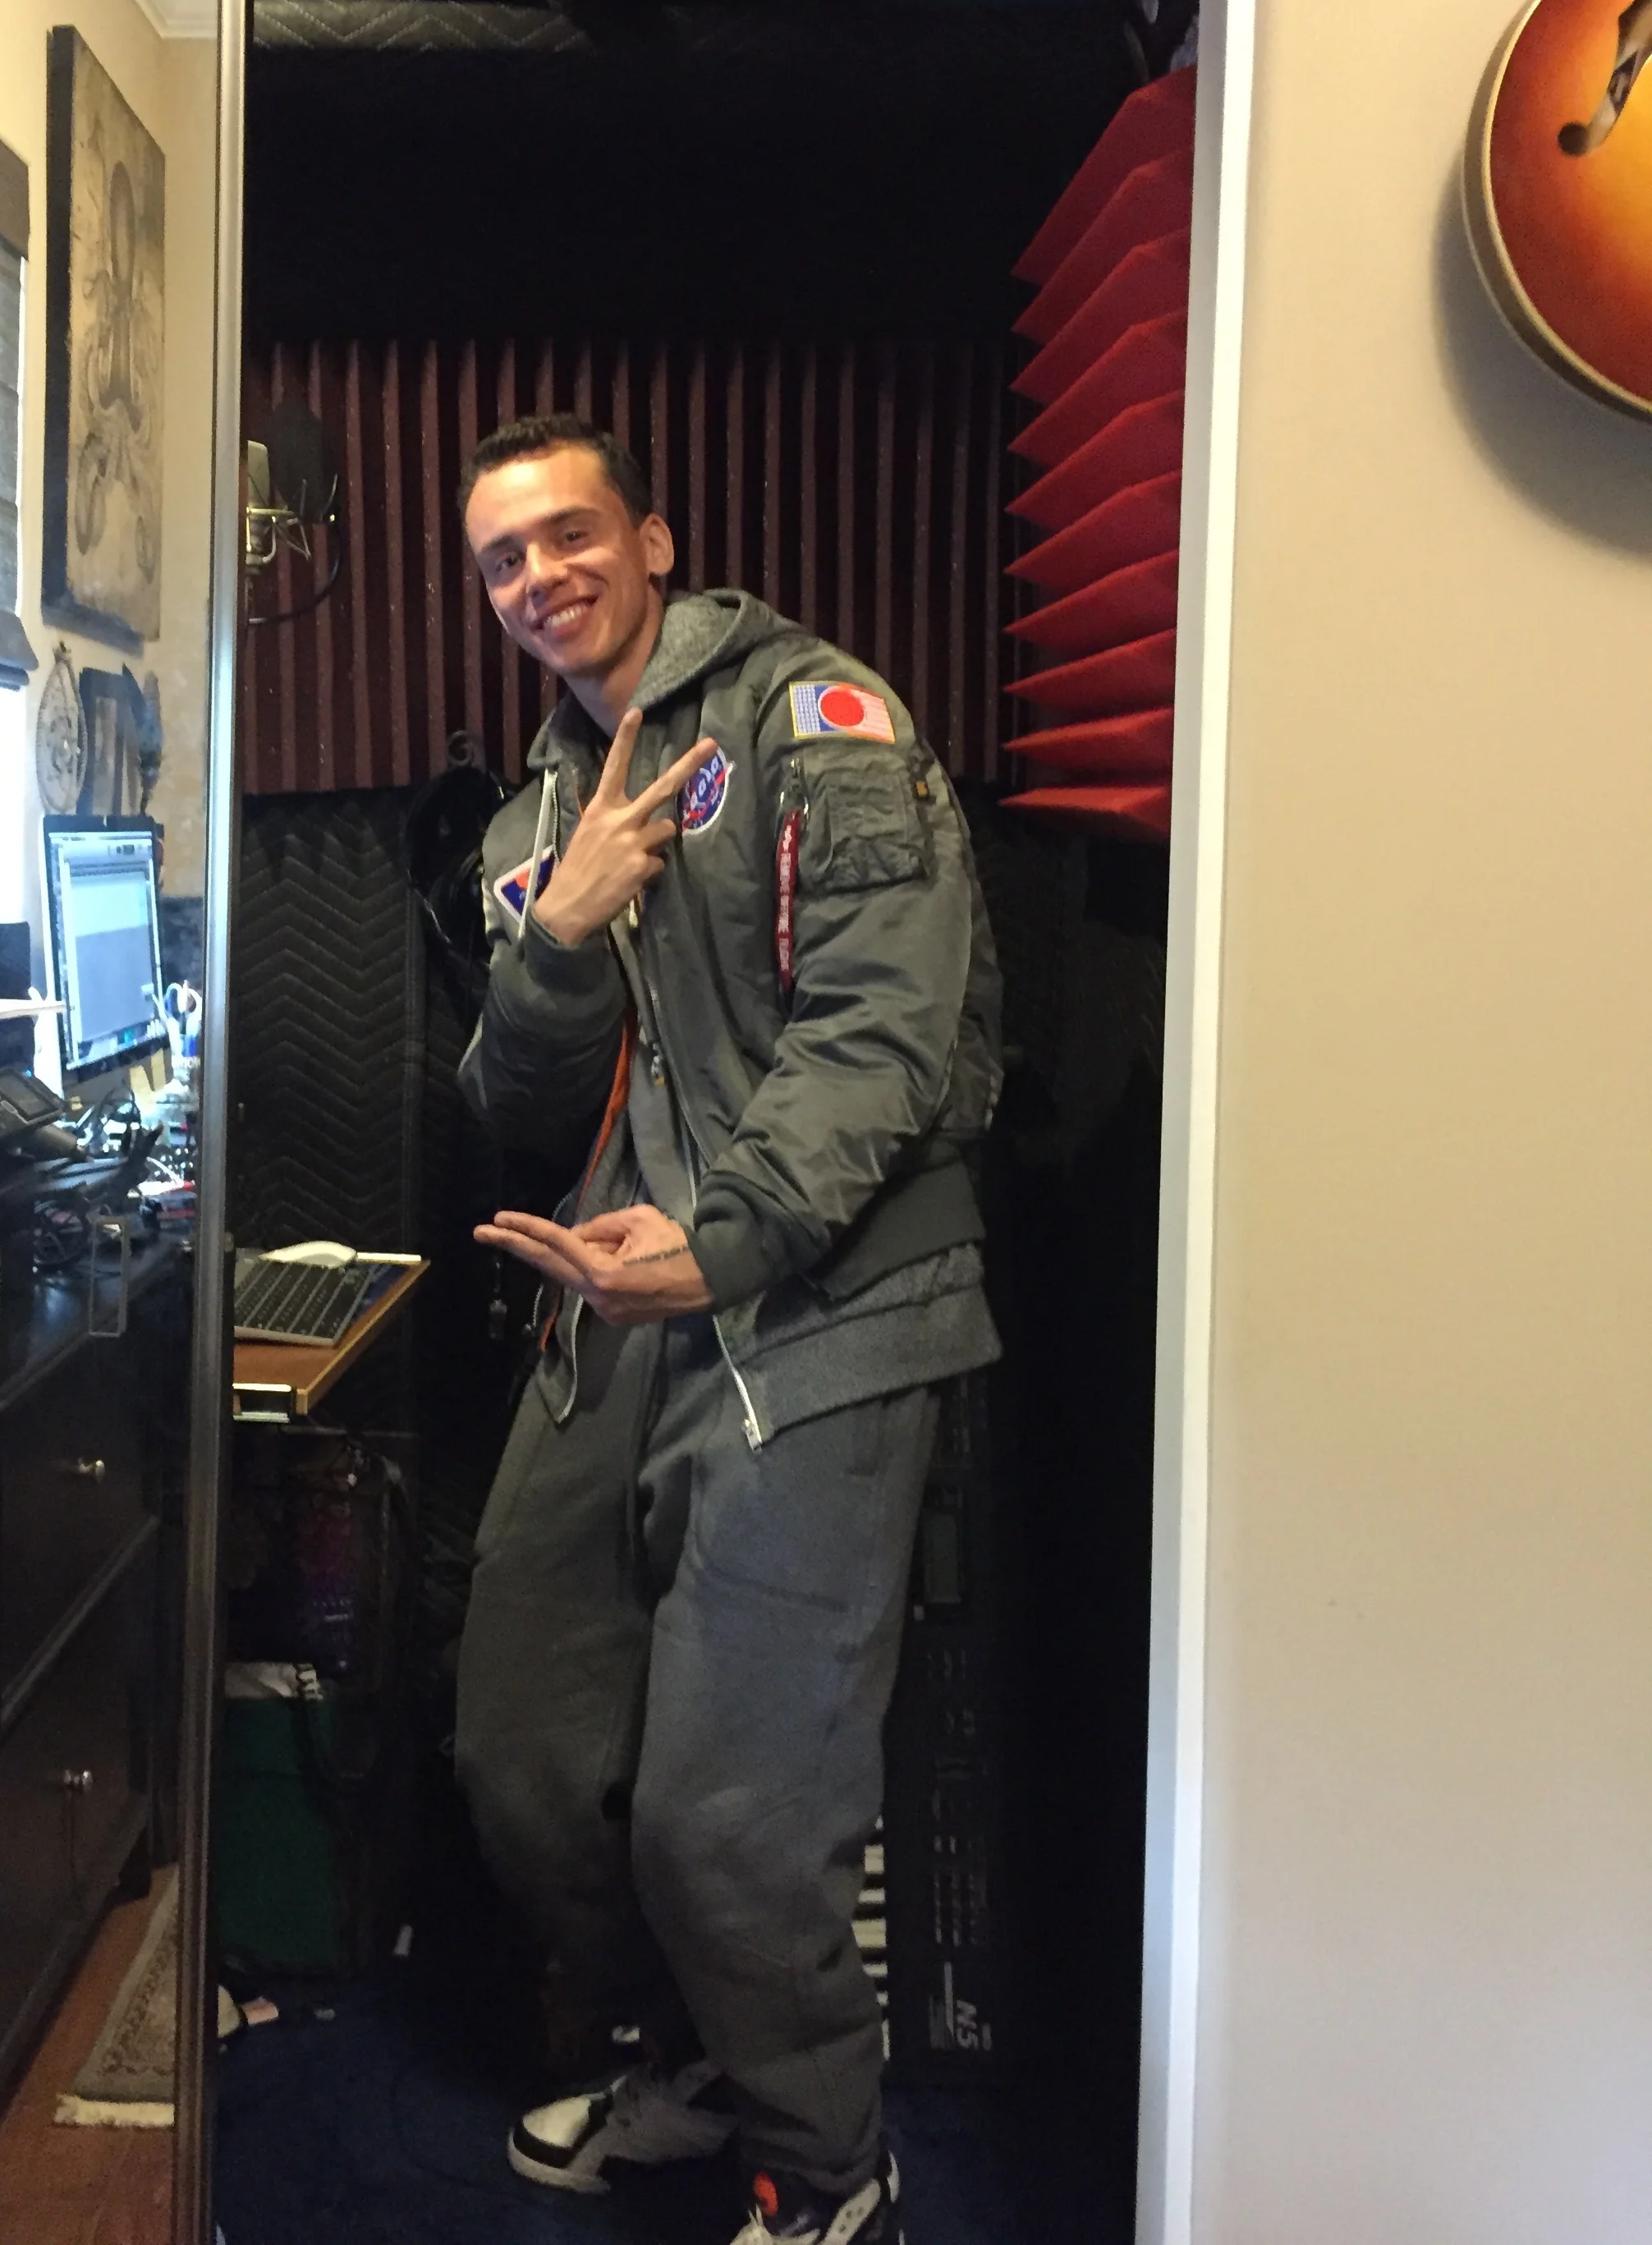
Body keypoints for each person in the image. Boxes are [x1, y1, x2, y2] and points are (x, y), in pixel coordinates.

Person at [454, 415, 1003, 2245]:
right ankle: (701, 2063)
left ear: (655, 540)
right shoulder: (535, 820)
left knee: (729, 1818)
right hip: (621, 1319)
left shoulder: (814, 722)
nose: (540, 576)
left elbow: (882, 1034)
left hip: (822, 1309)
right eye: (504, 558)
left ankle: (830, 2170)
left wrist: (727, 1239)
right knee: (530, 1761)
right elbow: (514, 1109)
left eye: (569, 533)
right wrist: (556, 942)